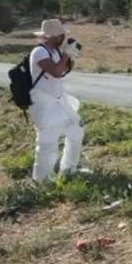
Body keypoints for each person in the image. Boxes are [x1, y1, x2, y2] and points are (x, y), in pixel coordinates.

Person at [28, 19, 84, 182]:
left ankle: (68, 170)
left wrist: (71, 55)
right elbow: (56, 72)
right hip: (44, 105)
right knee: (48, 143)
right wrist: (66, 53)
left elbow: (64, 69)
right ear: (54, 36)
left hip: (59, 102)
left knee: (76, 131)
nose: (64, 37)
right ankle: (42, 180)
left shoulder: (54, 52)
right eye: (62, 35)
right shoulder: (39, 52)